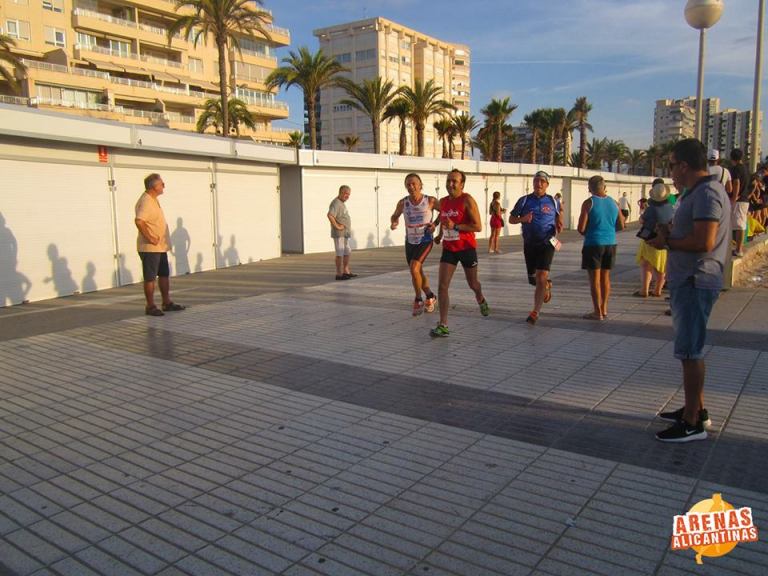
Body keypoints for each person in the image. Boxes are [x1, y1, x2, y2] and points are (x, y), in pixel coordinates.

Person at [648, 139, 729, 443]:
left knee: (690, 351)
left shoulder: (707, 193)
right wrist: (669, 234)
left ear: (684, 165)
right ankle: (697, 409)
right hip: (688, 279)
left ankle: (692, 423)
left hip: (696, 280)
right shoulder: (695, 193)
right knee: (689, 350)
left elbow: (703, 242)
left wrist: (666, 242)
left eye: (671, 165)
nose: (670, 173)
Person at [429, 169, 489, 337]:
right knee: (442, 286)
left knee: (473, 284)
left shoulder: (467, 200)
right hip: (449, 249)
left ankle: (480, 297)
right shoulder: (443, 201)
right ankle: (443, 324)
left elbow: (478, 227)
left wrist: (455, 226)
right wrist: (439, 234)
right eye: (448, 180)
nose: (450, 184)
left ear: (462, 184)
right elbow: (443, 218)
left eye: (454, 181)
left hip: (467, 248)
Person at [509, 170, 564, 325]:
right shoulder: (524, 200)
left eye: (542, 181)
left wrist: (560, 222)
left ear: (547, 184)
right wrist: (523, 219)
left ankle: (535, 312)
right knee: (534, 280)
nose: (538, 184)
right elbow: (511, 219)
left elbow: (559, 214)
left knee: (541, 276)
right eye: (536, 181)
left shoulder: (553, 201)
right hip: (529, 244)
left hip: (547, 243)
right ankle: (546, 285)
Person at [134, 173, 185, 316]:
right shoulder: (146, 201)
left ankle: (166, 302)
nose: (164, 186)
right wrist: (150, 237)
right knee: (150, 277)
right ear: (154, 186)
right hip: (150, 248)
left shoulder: (153, 199)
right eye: (162, 184)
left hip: (160, 247)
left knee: (163, 274)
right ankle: (150, 306)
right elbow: (139, 221)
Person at [390, 173, 438, 316]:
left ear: (420, 185)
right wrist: (394, 221)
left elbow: (444, 212)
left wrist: (435, 224)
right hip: (410, 240)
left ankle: (418, 299)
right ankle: (430, 296)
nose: (411, 187)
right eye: (408, 184)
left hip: (425, 239)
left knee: (414, 267)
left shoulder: (430, 200)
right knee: (417, 271)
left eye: (414, 184)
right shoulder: (403, 202)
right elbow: (395, 215)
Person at [578, 175, 624, 320]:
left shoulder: (588, 203)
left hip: (593, 244)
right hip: (610, 243)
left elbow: (581, 227)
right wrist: (609, 230)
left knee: (594, 279)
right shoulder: (614, 203)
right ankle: (604, 308)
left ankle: (597, 311)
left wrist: (590, 233)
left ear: (589, 188)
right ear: (604, 187)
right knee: (606, 277)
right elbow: (622, 225)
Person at [634, 182, 675, 297]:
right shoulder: (671, 208)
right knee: (661, 266)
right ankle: (658, 290)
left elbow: (642, 220)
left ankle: (644, 290)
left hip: (650, 238)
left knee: (646, 264)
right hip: (664, 239)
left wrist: (642, 217)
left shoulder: (651, 209)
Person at [327, 185, 357, 280]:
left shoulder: (341, 203)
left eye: (349, 194)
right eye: (346, 194)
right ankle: (339, 274)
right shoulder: (336, 203)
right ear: (341, 192)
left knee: (347, 251)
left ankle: (346, 271)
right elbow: (330, 215)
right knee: (340, 252)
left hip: (345, 234)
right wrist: (337, 226)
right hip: (339, 234)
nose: (347, 196)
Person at [729, 148, 750, 257]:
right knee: (740, 224)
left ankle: (738, 249)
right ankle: (738, 248)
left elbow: (736, 183)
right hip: (745, 199)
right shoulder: (745, 169)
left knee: (738, 225)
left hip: (739, 200)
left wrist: (734, 198)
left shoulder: (736, 169)